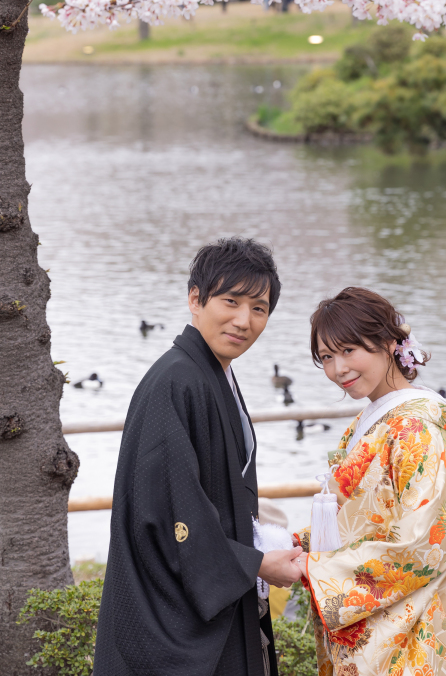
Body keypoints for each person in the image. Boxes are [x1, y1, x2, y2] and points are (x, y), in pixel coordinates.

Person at [94, 237, 304, 676]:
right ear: (195, 299)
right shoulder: (176, 381)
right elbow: (167, 512)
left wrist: (258, 543)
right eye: (231, 301)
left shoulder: (215, 374)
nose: (244, 320)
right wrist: (255, 563)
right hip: (176, 611)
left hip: (219, 593)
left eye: (259, 309)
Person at [297, 287, 446, 676]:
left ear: (389, 344)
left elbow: (420, 546)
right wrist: (299, 544)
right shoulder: (370, 423)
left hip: (412, 633)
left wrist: (313, 569)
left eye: (349, 350)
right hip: (384, 619)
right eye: (326, 357)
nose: (338, 369)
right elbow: (361, 519)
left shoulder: (416, 433)